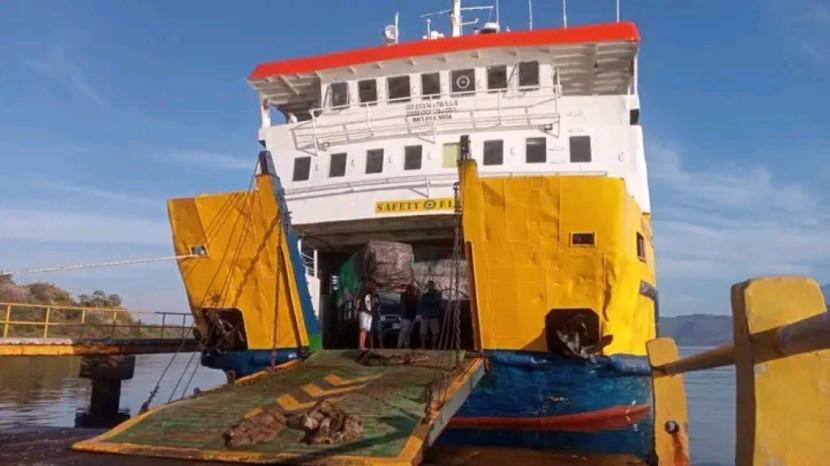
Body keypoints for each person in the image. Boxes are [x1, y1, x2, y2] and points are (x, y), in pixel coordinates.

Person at [419, 280, 442, 349]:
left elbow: (436, 301)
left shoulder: (437, 294)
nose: (430, 287)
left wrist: (428, 301)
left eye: (431, 285)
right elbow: (422, 302)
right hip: (425, 315)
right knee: (423, 332)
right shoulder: (425, 294)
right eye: (429, 285)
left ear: (433, 286)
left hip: (434, 315)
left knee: (435, 331)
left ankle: (434, 346)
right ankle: (423, 346)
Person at [358, 279, 379, 351]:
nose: (374, 286)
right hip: (363, 311)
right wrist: (357, 309)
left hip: (369, 312)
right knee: (363, 329)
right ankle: (361, 345)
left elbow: (372, 303)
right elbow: (359, 300)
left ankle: (362, 345)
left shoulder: (372, 293)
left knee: (366, 330)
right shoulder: (363, 291)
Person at [397, 284, 419, 349]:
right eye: (413, 290)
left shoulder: (414, 296)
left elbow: (417, 301)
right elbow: (405, 303)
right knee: (404, 331)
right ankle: (399, 345)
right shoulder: (404, 295)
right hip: (405, 316)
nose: (414, 291)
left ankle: (406, 345)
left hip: (412, 316)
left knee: (409, 332)